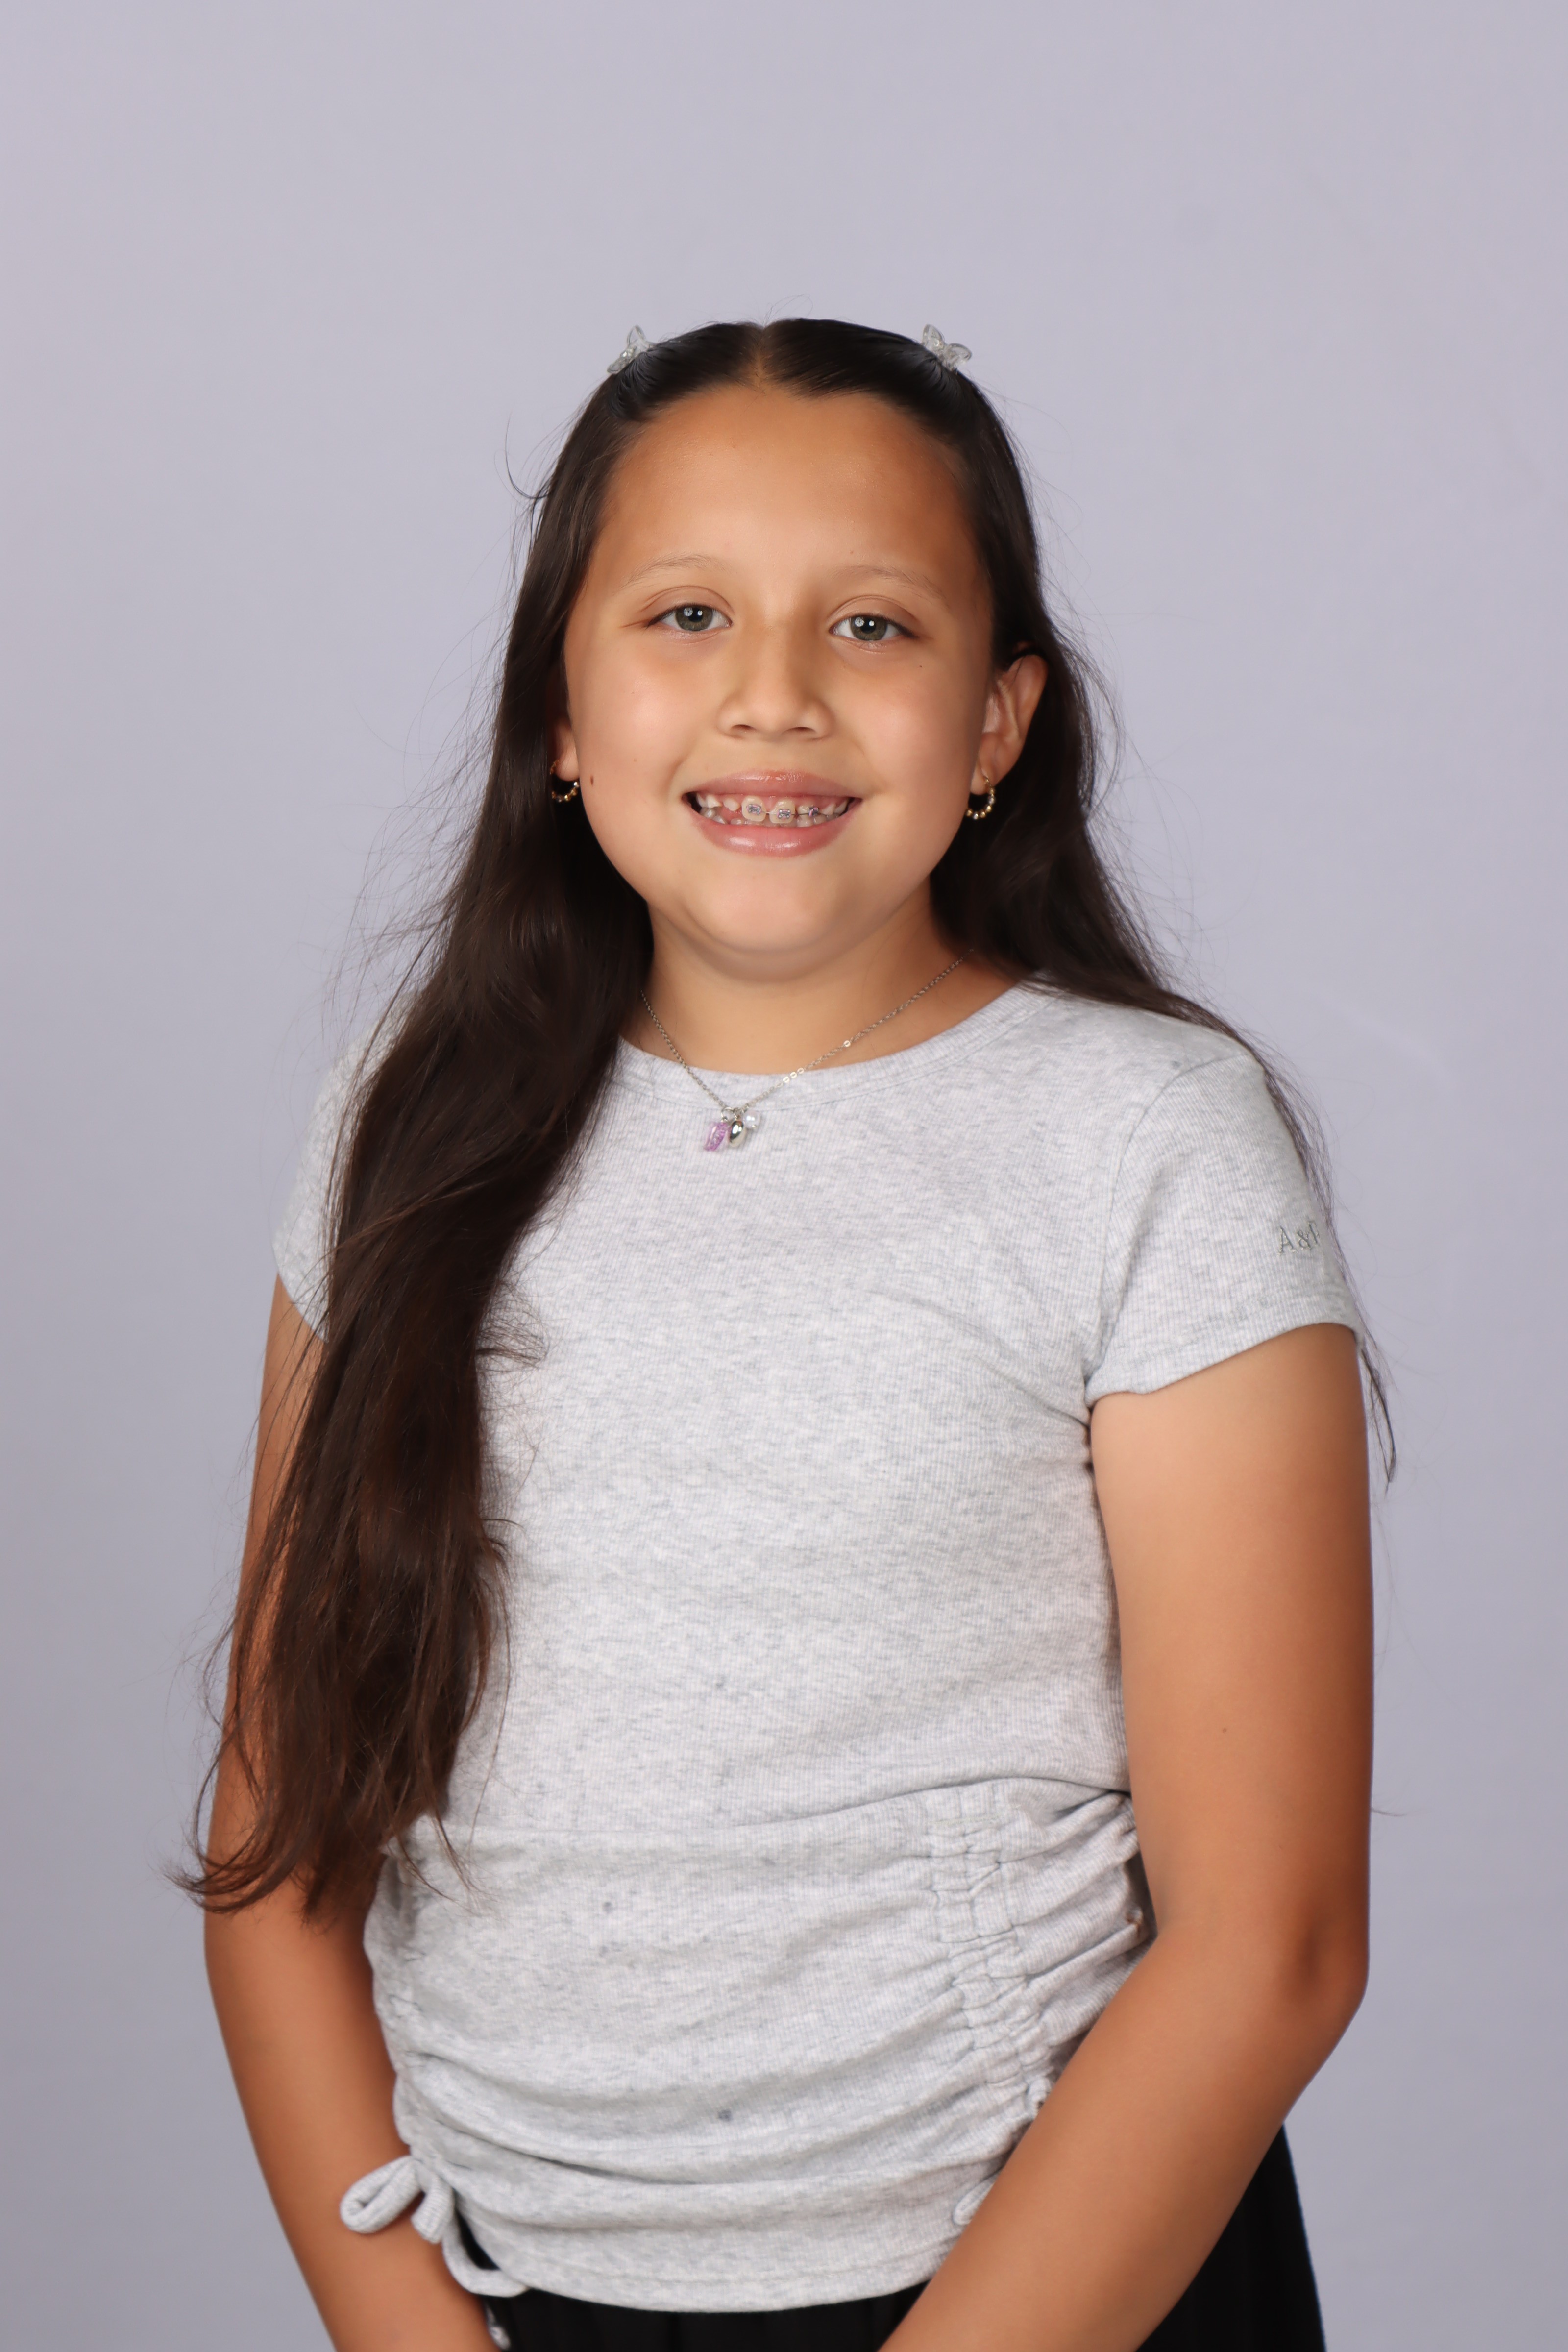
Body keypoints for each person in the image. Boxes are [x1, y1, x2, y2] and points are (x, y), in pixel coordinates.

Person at [199, 319, 1375, 2352]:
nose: (772, 694)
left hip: (1040, 2285)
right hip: (509, 2286)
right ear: (559, 712)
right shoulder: (408, 1124)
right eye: (685, 615)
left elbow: (1270, 1945)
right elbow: (276, 1840)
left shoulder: (1146, 1143)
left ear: (997, 721)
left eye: (870, 625)